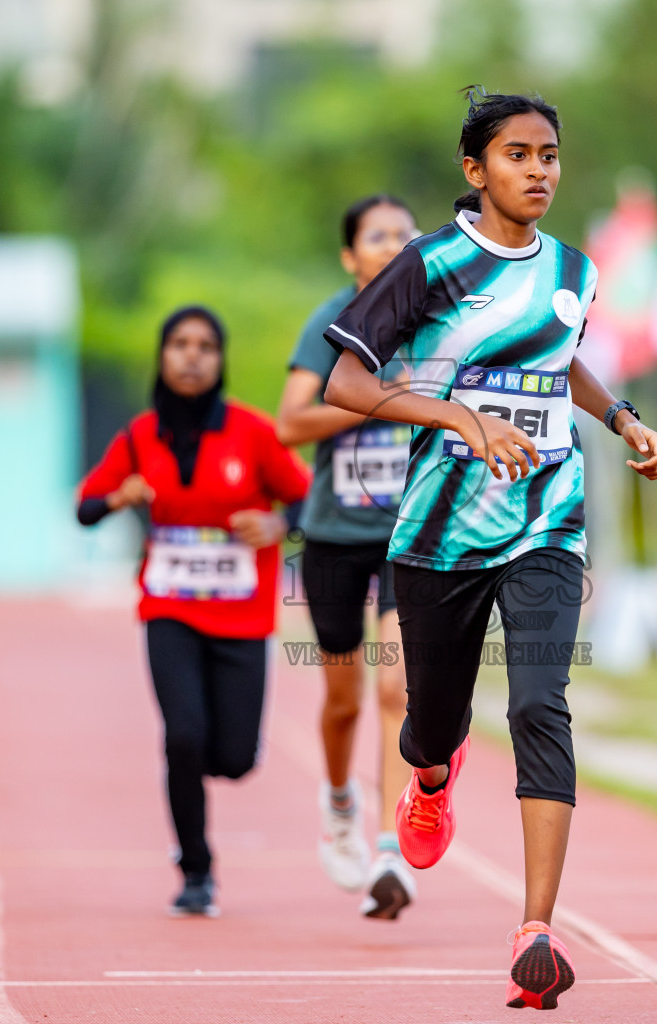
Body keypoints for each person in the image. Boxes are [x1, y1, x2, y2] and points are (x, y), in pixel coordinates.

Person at [321, 89, 657, 1009]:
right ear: (476, 170)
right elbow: (348, 382)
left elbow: (562, 360)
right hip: (437, 535)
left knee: (539, 705)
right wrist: (453, 417)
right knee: (434, 722)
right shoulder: (428, 266)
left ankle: (536, 931)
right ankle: (429, 777)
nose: (539, 171)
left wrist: (623, 417)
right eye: (518, 155)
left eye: (549, 154)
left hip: (546, 522)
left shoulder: (575, 270)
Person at [76, 305, 311, 918]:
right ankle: (195, 869)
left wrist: (278, 522)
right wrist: (115, 497)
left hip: (243, 619)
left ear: (220, 359)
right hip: (168, 611)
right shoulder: (138, 436)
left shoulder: (253, 433)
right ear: (162, 355)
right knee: (182, 738)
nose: (191, 355)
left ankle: (227, 749)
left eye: (205, 345)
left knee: (230, 760)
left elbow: (311, 502)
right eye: (179, 343)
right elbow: (85, 505)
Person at [275, 195, 422, 919]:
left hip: (411, 533)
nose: (393, 242)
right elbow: (290, 422)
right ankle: (339, 805)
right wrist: (379, 400)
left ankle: (391, 847)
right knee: (344, 699)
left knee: (397, 688)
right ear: (350, 255)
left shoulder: (435, 318)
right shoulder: (332, 321)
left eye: (404, 232)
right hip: (335, 532)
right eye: (377, 235)